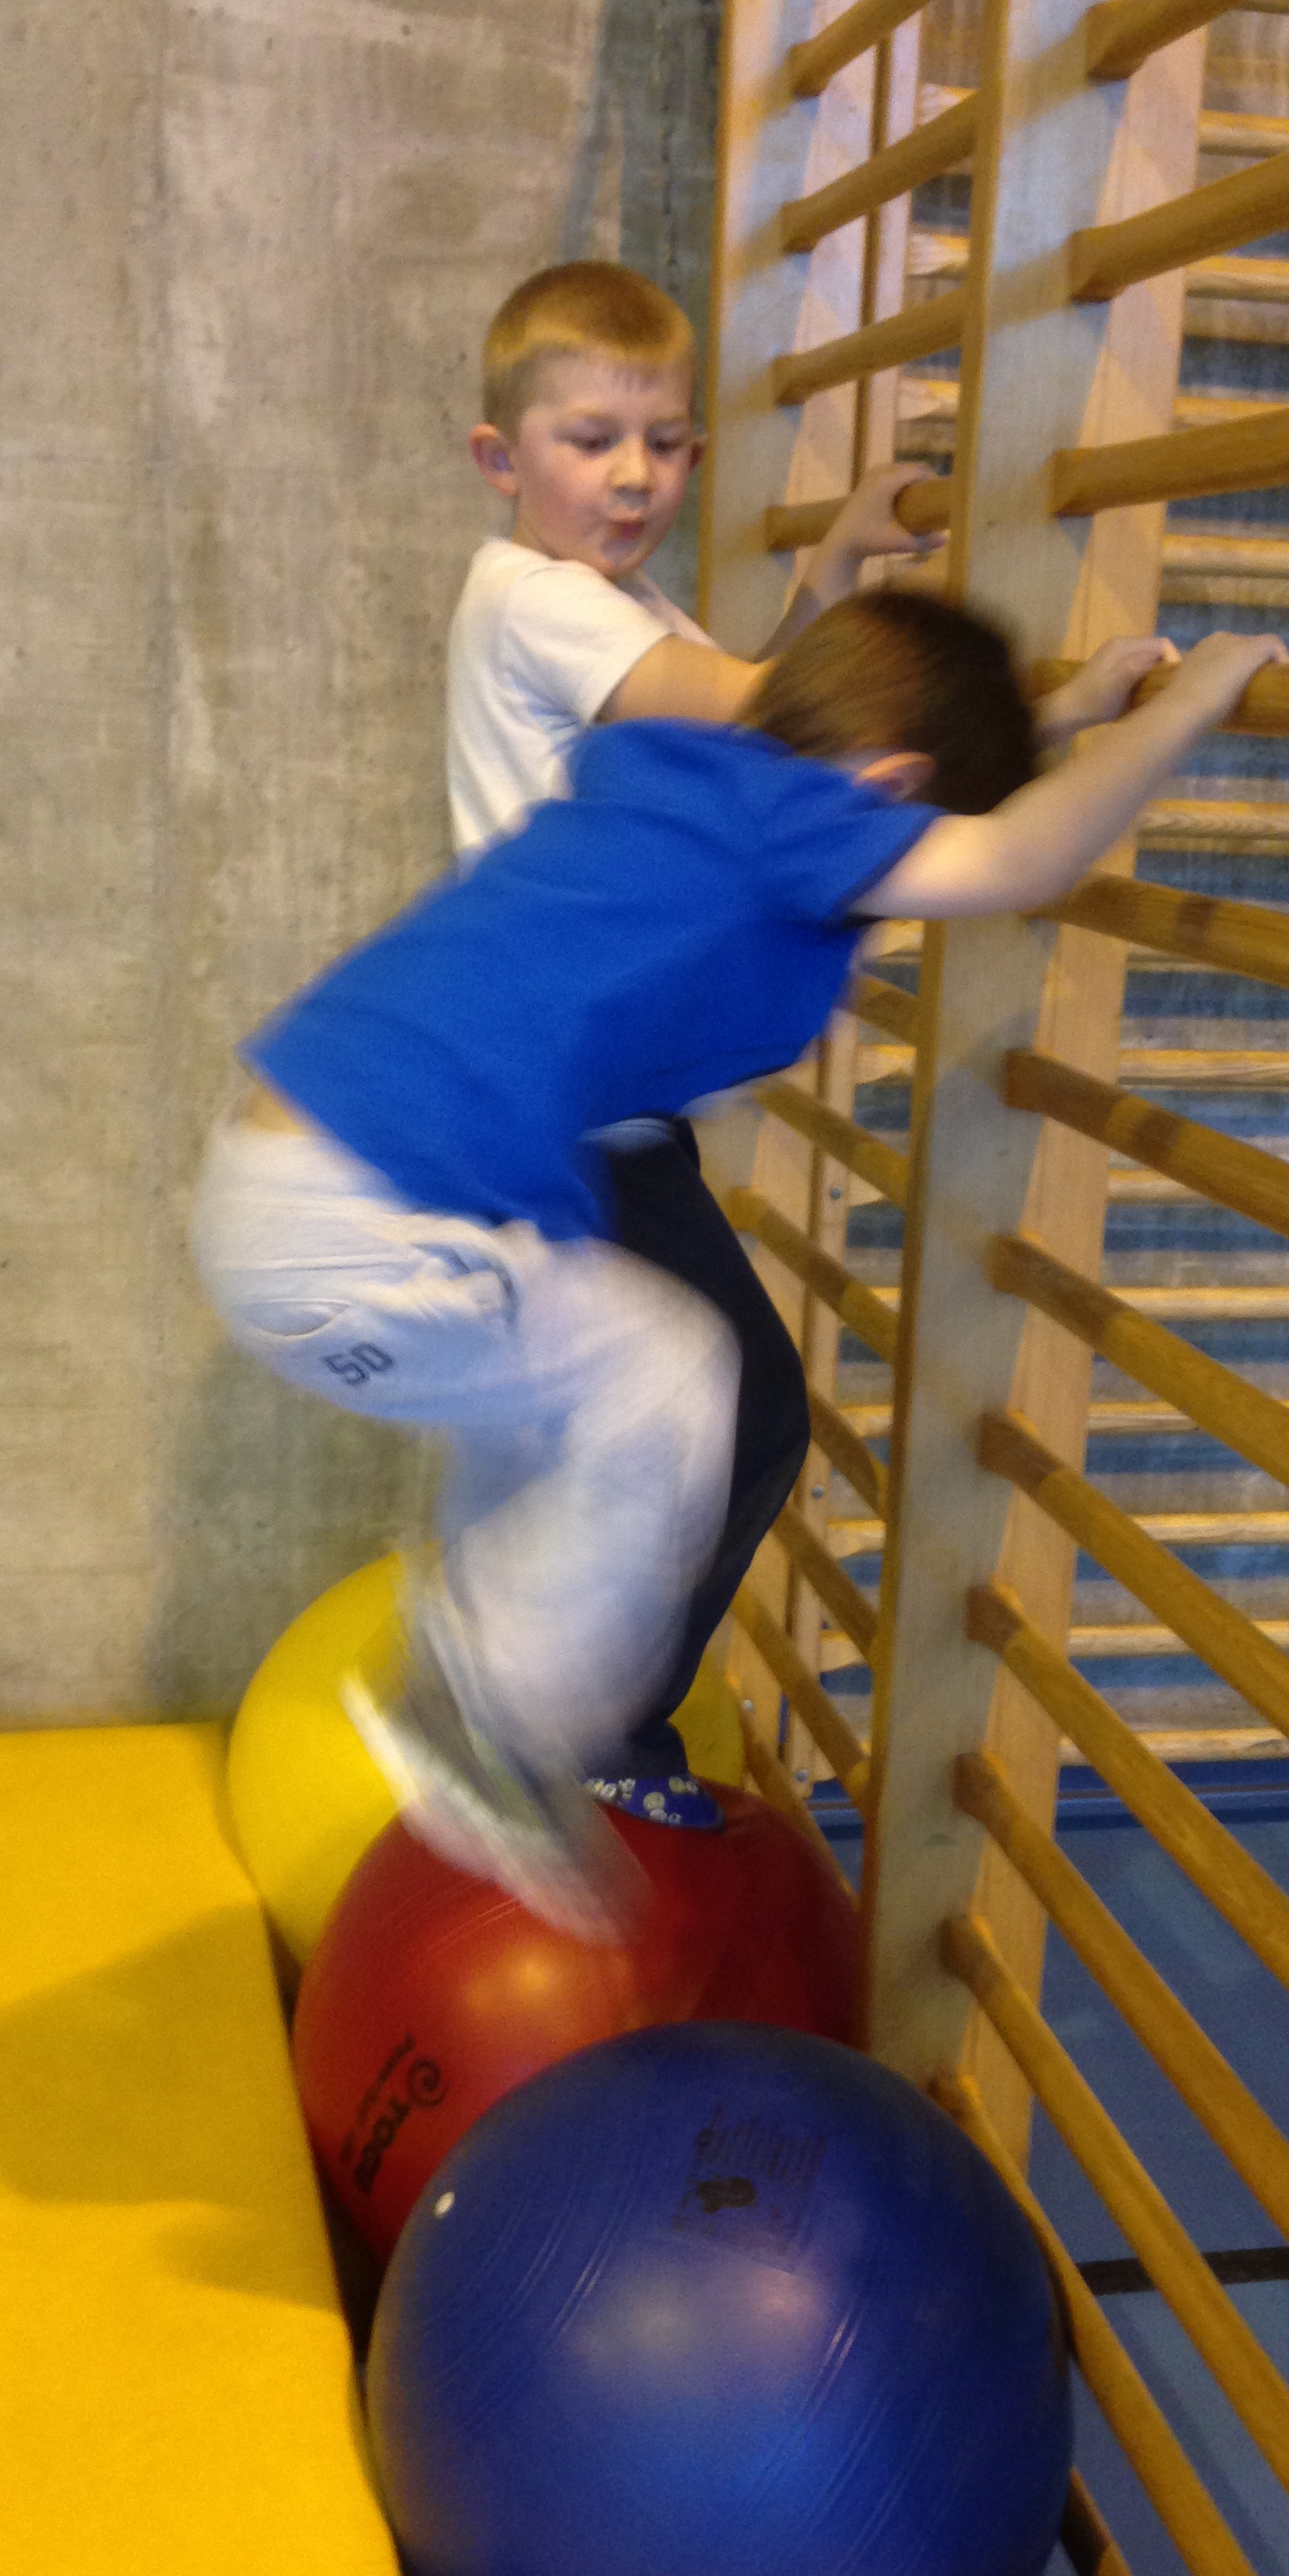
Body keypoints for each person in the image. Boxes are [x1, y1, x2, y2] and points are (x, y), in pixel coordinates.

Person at [195, 592, 1287, 1934]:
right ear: (888, 791)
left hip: (287, 1197)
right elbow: (1017, 855)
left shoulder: (697, 784)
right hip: (351, 1235)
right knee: (672, 1374)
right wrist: (1193, 703)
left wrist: (1061, 715)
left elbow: (904, 793)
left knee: (565, 1415)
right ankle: (479, 1709)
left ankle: (483, 1667)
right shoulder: (786, 824)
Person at [446, 260, 925, 1779]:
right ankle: (589, 1723)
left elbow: (750, 711)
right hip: (554, 1108)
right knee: (751, 1408)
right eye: (592, 440)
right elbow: (768, 717)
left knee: (661, 1417)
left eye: (663, 443)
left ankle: (540, 1688)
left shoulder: (622, 609)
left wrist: (835, 565)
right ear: (501, 457)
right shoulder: (531, 600)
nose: (635, 475)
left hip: (595, 1106)